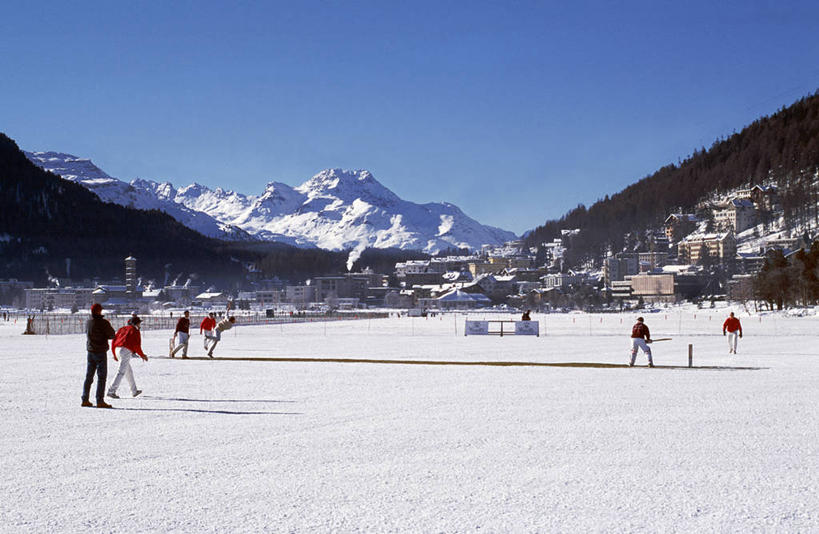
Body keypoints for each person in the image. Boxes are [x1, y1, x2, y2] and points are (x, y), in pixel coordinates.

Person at [83, 303, 116, 408]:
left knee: (89, 377)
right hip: (100, 352)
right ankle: (100, 400)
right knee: (101, 377)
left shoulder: (88, 322)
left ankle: (85, 399)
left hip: (90, 352)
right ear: (99, 311)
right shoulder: (103, 323)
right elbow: (112, 335)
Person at [108, 315, 148, 398]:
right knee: (121, 372)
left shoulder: (122, 328)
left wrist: (114, 354)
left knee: (128, 371)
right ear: (136, 324)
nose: (140, 325)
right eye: (139, 323)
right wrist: (142, 355)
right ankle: (111, 391)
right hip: (125, 350)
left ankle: (134, 391)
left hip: (117, 349)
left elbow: (114, 341)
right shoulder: (135, 330)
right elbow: (136, 345)